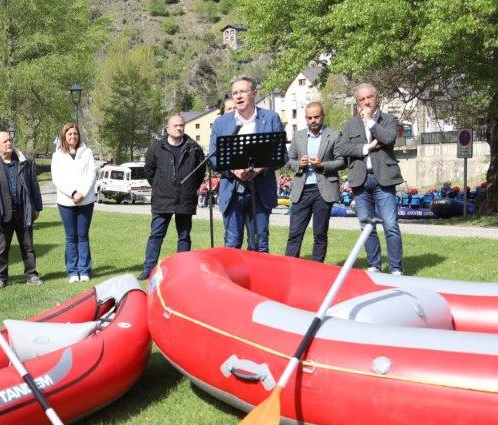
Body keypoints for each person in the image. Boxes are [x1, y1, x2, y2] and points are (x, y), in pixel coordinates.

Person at [208, 75, 283, 251]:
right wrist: (233, 170)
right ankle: (233, 280)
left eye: (243, 91)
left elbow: (281, 155)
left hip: (261, 190)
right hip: (232, 191)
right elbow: (212, 157)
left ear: (254, 93)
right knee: (232, 244)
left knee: (259, 244)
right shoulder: (221, 123)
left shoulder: (271, 118)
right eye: (235, 93)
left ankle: (261, 279)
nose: (238, 96)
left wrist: (260, 167)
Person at [336, 83, 405, 275]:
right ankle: (374, 264)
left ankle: (396, 268)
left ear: (377, 97)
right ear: (358, 102)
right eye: (362, 99)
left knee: (390, 224)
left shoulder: (389, 119)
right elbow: (343, 148)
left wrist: (371, 123)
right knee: (366, 224)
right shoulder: (350, 125)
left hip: (384, 177)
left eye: (370, 97)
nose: (366, 102)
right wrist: (367, 147)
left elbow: (389, 138)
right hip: (361, 179)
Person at [137, 114, 204, 280]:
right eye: (175, 125)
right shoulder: (155, 148)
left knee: (184, 235)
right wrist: (160, 186)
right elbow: (149, 171)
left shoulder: (194, 148)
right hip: (162, 199)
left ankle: (183, 270)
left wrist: (189, 188)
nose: (179, 128)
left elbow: (200, 172)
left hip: (185, 199)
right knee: (156, 235)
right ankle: (149, 269)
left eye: (181, 125)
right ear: (167, 128)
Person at [0, 131, 44, 289]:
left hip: (23, 211)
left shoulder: (25, 162)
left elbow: (34, 186)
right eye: (5, 141)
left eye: (10, 140)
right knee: (1, 249)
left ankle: (31, 275)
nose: (9, 143)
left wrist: (37, 207)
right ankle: (1, 279)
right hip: (1, 213)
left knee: (28, 246)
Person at [285, 102, 343, 262]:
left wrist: (322, 165)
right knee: (294, 233)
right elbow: (289, 160)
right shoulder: (298, 136)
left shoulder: (334, 134)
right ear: (306, 118)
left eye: (316, 117)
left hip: (323, 190)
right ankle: (290, 267)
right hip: (301, 190)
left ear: (322, 116)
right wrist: (299, 164)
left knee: (320, 234)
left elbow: (342, 161)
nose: (313, 120)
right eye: (310, 117)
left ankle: (317, 269)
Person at [50, 123, 98, 282]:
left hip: (86, 201)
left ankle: (84, 270)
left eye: (75, 134)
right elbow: (57, 179)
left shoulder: (87, 152)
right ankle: (72, 271)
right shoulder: (57, 155)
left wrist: (82, 193)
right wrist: (72, 193)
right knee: (71, 237)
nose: (73, 136)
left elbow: (91, 174)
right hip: (66, 202)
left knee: (83, 236)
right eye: (69, 134)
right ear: (64, 136)